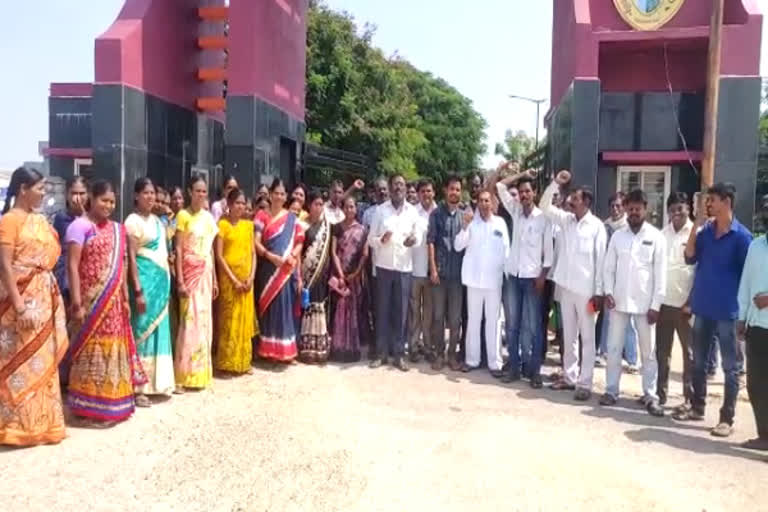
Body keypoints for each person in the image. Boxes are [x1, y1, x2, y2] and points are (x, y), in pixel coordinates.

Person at [66, 180, 145, 424]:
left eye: (112, 202)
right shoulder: (79, 227)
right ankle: (85, 406)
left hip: (113, 303)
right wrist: (77, 303)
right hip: (89, 302)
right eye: (104, 200)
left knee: (111, 349)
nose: (109, 206)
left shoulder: (117, 229)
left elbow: (120, 266)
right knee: (89, 350)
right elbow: (72, 266)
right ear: (92, 197)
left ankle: (110, 404)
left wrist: (124, 297)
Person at [676, 182, 751, 438]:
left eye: (713, 200)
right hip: (703, 308)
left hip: (729, 312)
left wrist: (745, 315)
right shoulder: (706, 232)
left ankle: (726, 418)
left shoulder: (742, 237)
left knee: (731, 368)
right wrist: (697, 222)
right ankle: (698, 407)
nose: (709, 204)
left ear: (727, 201)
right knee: (698, 362)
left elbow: (747, 276)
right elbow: (689, 255)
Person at [0, 167, 69, 446]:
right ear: (23, 189)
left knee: (43, 361)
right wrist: (18, 305)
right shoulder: (9, 221)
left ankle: (43, 422)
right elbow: (4, 265)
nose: (44, 194)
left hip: (43, 301)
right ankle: (15, 427)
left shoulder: (40, 221)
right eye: (40, 188)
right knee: (18, 362)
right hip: (19, 304)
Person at [540, 170, 606, 400]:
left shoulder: (597, 227)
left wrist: (598, 294)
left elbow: (601, 262)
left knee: (587, 338)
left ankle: (585, 383)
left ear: (586, 202)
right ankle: (569, 377)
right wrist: (556, 183)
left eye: (575, 199)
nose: (570, 202)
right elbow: (544, 206)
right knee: (568, 336)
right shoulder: (566, 220)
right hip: (566, 289)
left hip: (587, 292)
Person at [600, 190, 666, 416]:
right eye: (631, 208)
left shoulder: (656, 237)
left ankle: (650, 395)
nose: (634, 212)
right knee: (614, 348)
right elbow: (608, 268)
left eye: (638, 208)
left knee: (648, 353)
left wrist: (656, 305)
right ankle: (611, 391)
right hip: (618, 302)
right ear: (626, 209)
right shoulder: (618, 236)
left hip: (645, 306)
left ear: (645, 209)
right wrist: (608, 291)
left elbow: (660, 275)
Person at [495, 169, 553, 388]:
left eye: (527, 191)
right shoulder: (515, 211)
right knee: (513, 326)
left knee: (534, 327)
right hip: (513, 277)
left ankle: (534, 371)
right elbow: (500, 186)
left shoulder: (543, 219)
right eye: (521, 192)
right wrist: (519, 174)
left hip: (532, 279)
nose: (524, 195)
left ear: (534, 193)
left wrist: (542, 277)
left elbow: (549, 254)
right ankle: (514, 368)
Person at [125, 178, 175, 405]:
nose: (150, 197)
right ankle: (138, 387)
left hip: (161, 285)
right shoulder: (132, 222)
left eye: (153, 193)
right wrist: (137, 289)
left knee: (159, 332)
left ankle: (159, 383)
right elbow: (132, 258)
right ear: (136, 196)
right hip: (144, 285)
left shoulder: (157, 221)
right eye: (145, 193)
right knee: (141, 332)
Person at [367, 174, 420, 372]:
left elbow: (419, 236)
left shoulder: (413, 212)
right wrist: (381, 240)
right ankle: (381, 354)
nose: (398, 187)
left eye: (401, 184)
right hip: (384, 268)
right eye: (395, 184)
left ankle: (398, 354)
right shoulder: (380, 211)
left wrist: (414, 240)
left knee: (401, 313)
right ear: (389, 188)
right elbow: (370, 239)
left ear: (406, 188)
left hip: (404, 269)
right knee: (382, 310)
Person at [454, 190, 509, 376]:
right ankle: (472, 360)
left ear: (493, 204)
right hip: (474, 281)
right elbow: (458, 245)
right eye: (481, 201)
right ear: (477, 203)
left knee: (494, 323)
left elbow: (506, 251)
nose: (485, 204)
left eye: (488, 201)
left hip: (494, 282)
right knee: (473, 321)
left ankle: (495, 364)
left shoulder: (500, 223)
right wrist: (464, 227)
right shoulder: (471, 224)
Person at [173, 176, 219, 392]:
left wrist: (216, 278)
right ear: (190, 191)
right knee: (188, 322)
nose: (201, 195)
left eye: (204, 191)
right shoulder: (182, 216)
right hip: (189, 276)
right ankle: (183, 375)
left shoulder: (209, 219)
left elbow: (210, 250)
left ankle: (201, 374)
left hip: (205, 275)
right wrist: (180, 279)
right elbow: (179, 249)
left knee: (204, 323)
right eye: (197, 191)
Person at [254, 178, 305, 362]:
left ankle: (284, 350)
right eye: (276, 193)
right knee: (268, 308)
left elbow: (299, 241)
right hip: (268, 268)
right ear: (270, 193)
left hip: (285, 270)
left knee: (284, 308)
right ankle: (268, 351)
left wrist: (292, 256)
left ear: (286, 197)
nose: (279, 196)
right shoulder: (261, 216)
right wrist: (270, 256)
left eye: (283, 193)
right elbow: (256, 243)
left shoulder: (291, 217)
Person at [656, 192, 695, 408]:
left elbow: (699, 271)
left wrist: (691, 301)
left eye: (680, 209)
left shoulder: (696, 234)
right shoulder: (662, 234)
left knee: (689, 354)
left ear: (688, 208)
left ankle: (689, 398)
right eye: (672, 210)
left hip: (686, 305)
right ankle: (661, 394)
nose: (677, 214)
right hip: (664, 303)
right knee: (663, 352)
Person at [736, 194, 768, 451]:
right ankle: (764, 436)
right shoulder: (756, 246)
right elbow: (746, 283)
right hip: (757, 327)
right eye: (765, 210)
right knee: (756, 384)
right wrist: (742, 316)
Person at [213, 188, 256, 375]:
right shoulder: (222, 225)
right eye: (237, 202)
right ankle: (226, 362)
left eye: (243, 203)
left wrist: (252, 277)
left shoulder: (249, 226)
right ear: (229, 205)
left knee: (244, 321)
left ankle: (243, 361)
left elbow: (253, 253)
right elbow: (219, 256)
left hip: (247, 281)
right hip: (229, 280)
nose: (240, 206)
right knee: (228, 320)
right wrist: (233, 279)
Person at [597, 192, 639, 372]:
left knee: (629, 322)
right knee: (607, 319)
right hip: (609, 280)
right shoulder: (603, 227)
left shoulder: (629, 228)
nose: (615, 209)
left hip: (627, 280)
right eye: (612, 205)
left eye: (619, 206)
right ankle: (604, 352)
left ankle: (631, 359)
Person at [428, 176, 466, 371]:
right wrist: (433, 268)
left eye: (458, 189)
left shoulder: (465, 216)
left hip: (458, 276)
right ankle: (438, 354)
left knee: (454, 318)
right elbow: (431, 242)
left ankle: (452, 355)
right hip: (440, 274)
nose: (454, 192)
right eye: (451, 189)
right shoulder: (436, 214)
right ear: (445, 191)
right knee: (438, 316)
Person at [330, 196, 370, 362]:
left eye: (352, 207)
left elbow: (365, 254)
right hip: (339, 276)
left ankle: (352, 348)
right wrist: (340, 274)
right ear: (342, 209)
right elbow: (333, 252)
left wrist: (355, 273)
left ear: (356, 209)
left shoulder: (362, 230)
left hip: (354, 277)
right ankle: (338, 348)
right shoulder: (337, 228)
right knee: (339, 311)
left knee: (353, 312)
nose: (349, 210)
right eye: (346, 207)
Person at [298, 192, 332, 363]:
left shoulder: (327, 227)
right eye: (316, 204)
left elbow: (331, 253)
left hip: (321, 274)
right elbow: (298, 252)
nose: (319, 208)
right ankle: (305, 348)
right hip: (305, 274)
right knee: (306, 307)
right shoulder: (301, 225)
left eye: (321, 204)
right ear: (309, 206)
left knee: (319, 306)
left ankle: (320, 348)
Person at [407, 178, 437, 363]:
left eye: (429, 191)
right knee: (414, 311)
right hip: (414, 268)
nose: (426, 194)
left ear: (434, 193)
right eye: (423, 191)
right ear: (418, 194)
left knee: (429, 313)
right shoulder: (412, 213)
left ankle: (428, 346)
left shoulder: (438, 212)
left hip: (432, 271)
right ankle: (413, 346)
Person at [52, 176, 87, 305]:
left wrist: (83, 213)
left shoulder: (92, 216)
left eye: (82, 193)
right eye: (74, 193)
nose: (77, 197)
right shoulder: (62, 218)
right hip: (67, 273)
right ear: (67, 195)